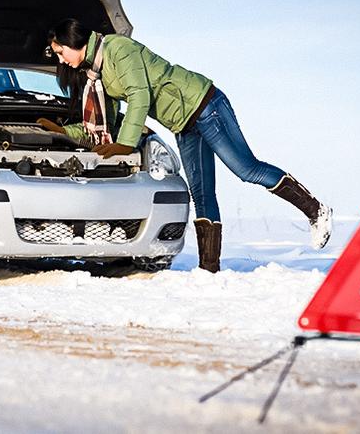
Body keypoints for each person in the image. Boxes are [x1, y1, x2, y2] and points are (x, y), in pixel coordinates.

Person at [38, 18, 331, 273]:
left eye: (61, 52)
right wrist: (63, 131)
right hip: (183, 123)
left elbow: (140, 95)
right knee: (201, 193)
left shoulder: (117, 49)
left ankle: (315, 210)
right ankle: (209, 269)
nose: (61, 60)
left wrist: (126, 145)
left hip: (204, 104)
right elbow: (109, 122)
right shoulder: (97, 74)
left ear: (73, 42)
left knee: (246, 169)